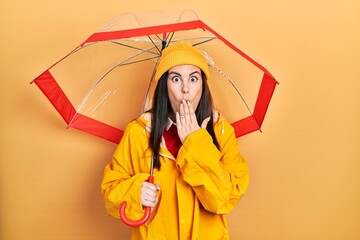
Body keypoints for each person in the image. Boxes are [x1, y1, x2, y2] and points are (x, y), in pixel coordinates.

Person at [101, 42, 249, 240]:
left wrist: (195, 141)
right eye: (176, 78)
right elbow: (110, 192)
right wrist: (136, 191)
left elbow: (224, 199)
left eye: (194, 78)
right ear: (164, 85)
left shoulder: (221, 132)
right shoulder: (138, 133)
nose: (185, 89)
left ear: (203, 86)